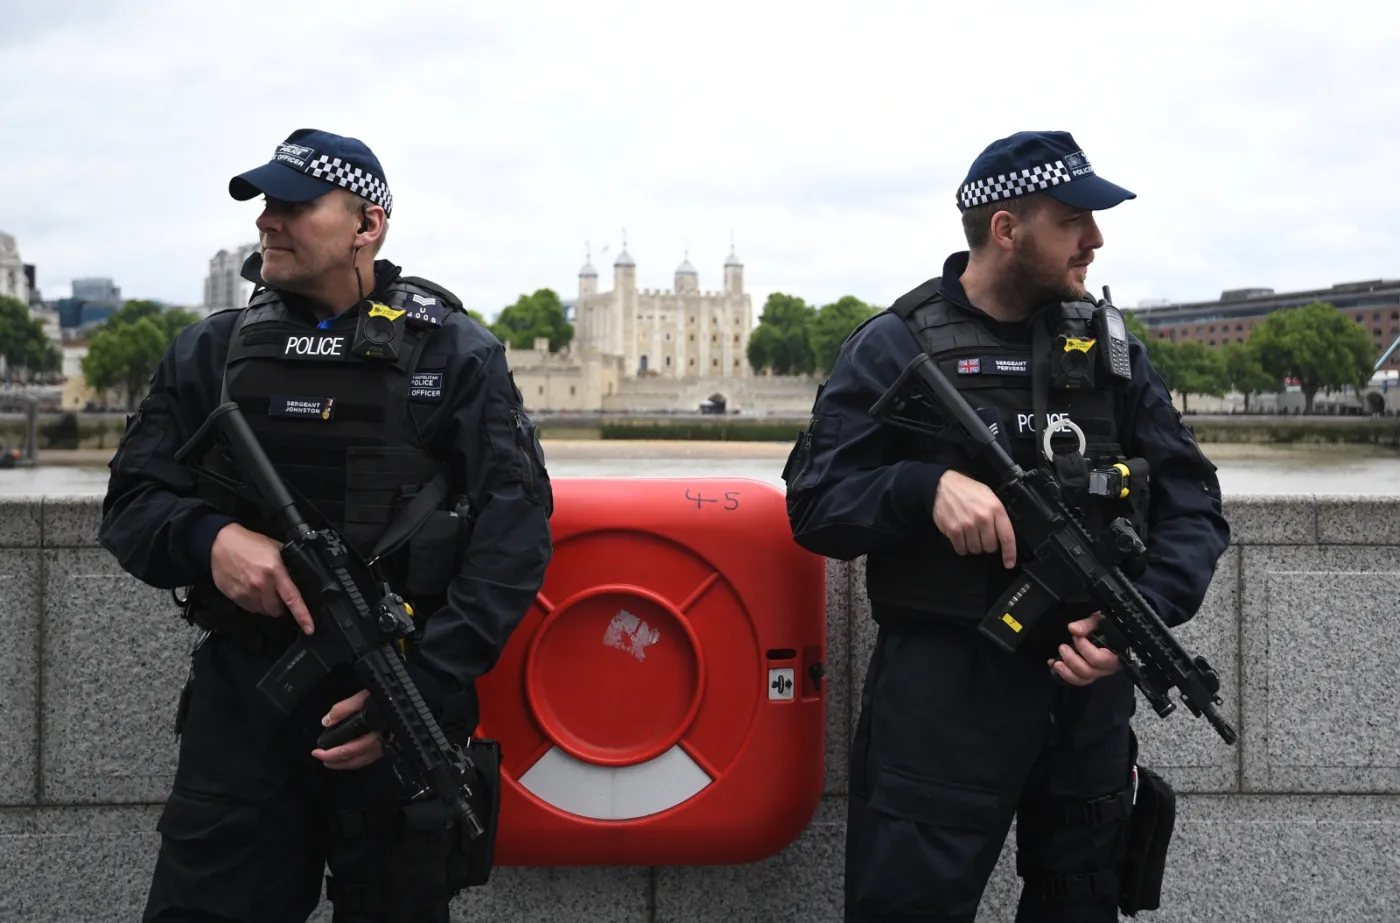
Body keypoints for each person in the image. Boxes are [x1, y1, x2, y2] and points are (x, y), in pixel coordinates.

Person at [98, 128, 554, 923]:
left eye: (295, 205)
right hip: (245, 715)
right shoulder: (212, 351)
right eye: (264, 205)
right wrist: (211, 540)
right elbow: (132, 502)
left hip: (402, 701)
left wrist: (422, 685)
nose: (267, 221)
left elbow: (514, 537)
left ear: (367, 225)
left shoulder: (454, 355)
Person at [783, 130, 1230, 923]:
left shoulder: (1112, 351)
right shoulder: (897, 343)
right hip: (944, 697)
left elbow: (1193, 504)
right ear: (1006, 229)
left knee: (1082, 903)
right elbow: (815, 501)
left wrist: (1136, 618)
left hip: (1085, 699)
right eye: (1072, 219)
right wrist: (920, 487)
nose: (1095, 239)